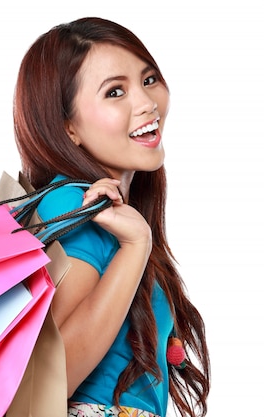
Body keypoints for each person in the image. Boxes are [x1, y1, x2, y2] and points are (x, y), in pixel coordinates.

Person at [11, 17, 211, 417]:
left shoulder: (115, 211)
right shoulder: (75, 206)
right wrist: (135, 247)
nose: (146, 103)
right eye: (115, 92)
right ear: (68, 127)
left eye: (149, 79)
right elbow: (53, 374)